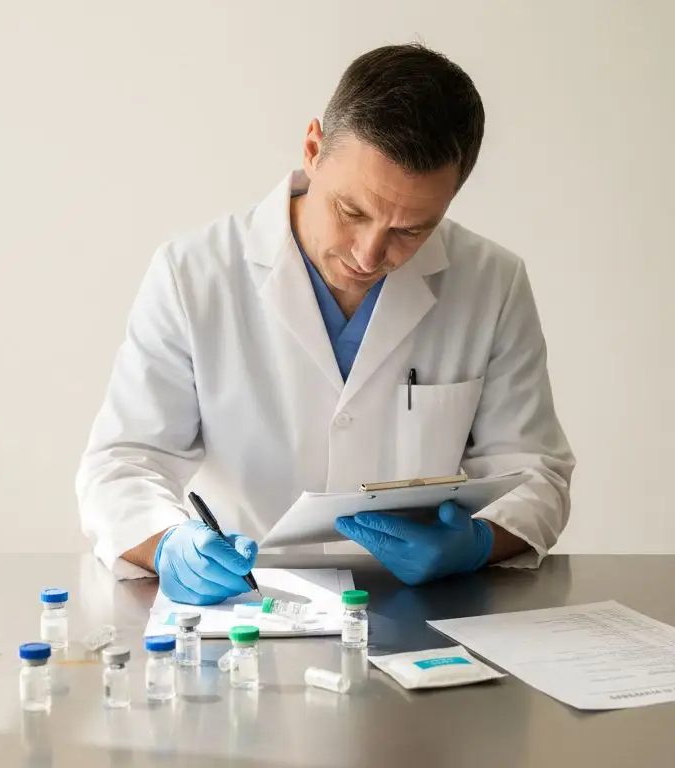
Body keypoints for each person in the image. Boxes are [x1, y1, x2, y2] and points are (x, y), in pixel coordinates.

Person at [76, 43, 574, 604]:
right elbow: (123, 461)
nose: (368, 254)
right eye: (352, 211)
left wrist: (479, 542)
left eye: (411, 230)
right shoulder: (192, 273)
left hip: (419, 610)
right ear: (313, 148)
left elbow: (536, 472)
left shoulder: (492, 282)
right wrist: (169, 544)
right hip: (246, 604)